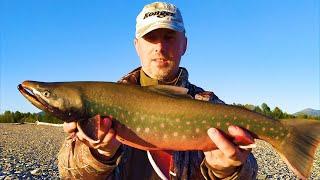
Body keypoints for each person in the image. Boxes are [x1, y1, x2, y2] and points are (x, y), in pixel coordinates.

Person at [58, 2, 258, 179]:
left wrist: (226, 171)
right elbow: (67, 173)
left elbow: (251, 169)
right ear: (137, 46)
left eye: (169, 37)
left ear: (184, 45)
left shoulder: (209, 105)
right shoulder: (101, 102)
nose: (160, 47)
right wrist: (98, 155)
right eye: (150, 38)